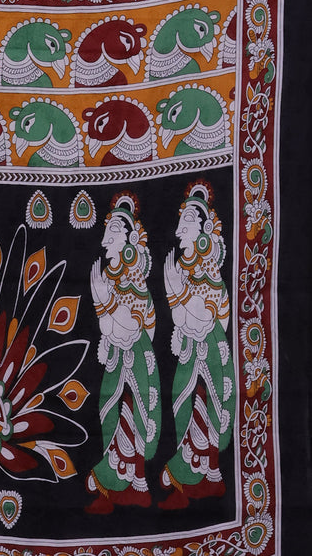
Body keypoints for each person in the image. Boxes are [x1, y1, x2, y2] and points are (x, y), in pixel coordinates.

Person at [160, 180, 235, 509]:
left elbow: (207, 314)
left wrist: (176, 293)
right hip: (191, 350)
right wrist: (175, 296)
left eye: (187, 222)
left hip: (210, 351)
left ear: (204, 231)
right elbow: (183, 318)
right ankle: (191, 478)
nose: (179, 230)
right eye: (181, 222)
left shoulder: (207, 271)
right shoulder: (184, 269)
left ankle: (209, 477)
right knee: (182, 401)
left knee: (207, 404)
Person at [86, 193, 160, 513]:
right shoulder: (109, 276)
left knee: (133, 412)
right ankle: (115, 486)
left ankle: (136, 484)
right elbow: (109, 325)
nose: (105, 240)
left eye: (112, 233)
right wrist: (102, 304)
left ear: (127, 240)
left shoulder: (132, 277)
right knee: (110, 411)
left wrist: (103, 301)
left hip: (135, 356)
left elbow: (133, 324)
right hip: (117, 354)